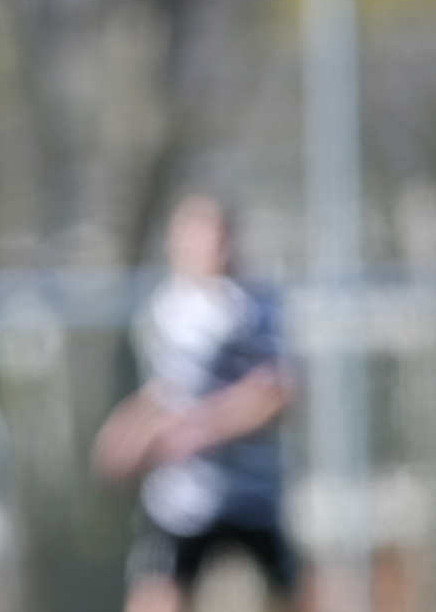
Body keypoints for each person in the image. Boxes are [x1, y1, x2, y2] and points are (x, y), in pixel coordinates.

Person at [92, 194, 295, 612]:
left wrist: (199, 430)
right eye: (196, 236)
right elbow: (167, 390)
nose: (208, 246)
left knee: (287, 595)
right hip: (184, 496)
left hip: (252, 489)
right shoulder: (167, 308)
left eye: (217, 235)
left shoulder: (255, 305)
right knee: (157, 596)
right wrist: (124, 429)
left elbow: (275, 392)